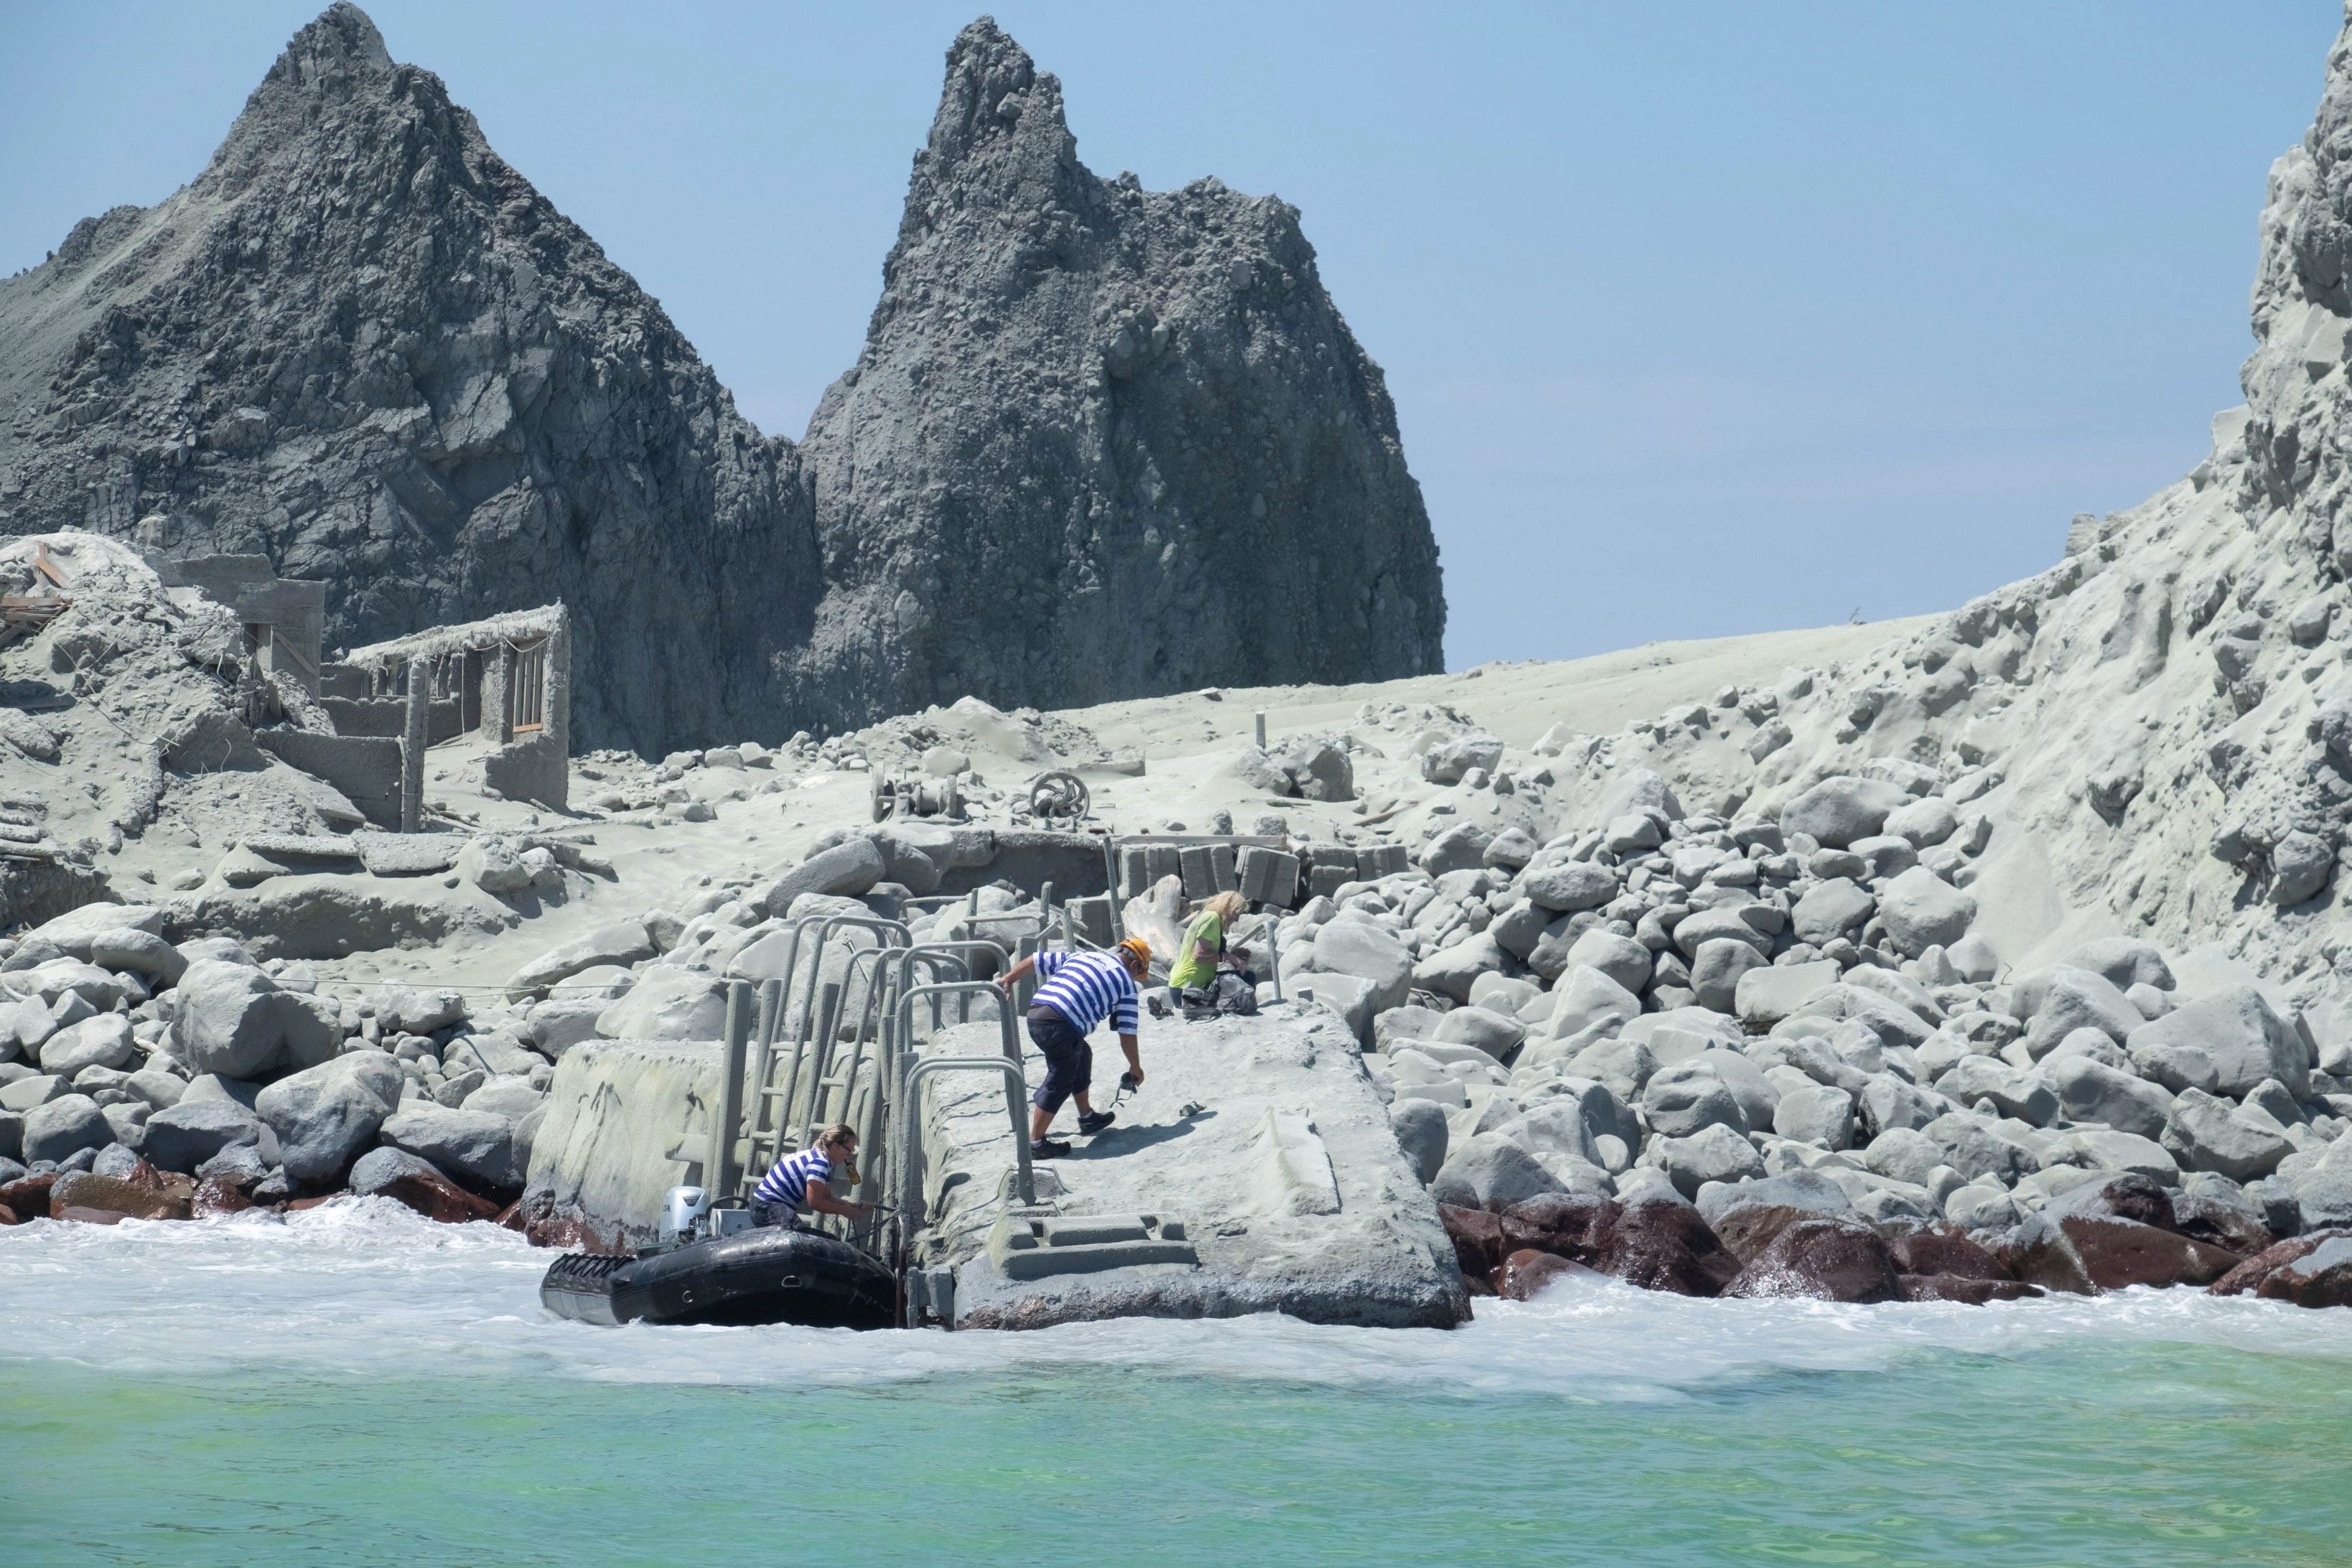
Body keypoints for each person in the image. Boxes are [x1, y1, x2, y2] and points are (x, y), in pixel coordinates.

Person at [996, 936, 1150, 1157]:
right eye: (1138, 973)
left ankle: (1087, 1118)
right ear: (1135, 966)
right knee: (1061, 1076)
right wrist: (1135, 1067)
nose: (1136, 977)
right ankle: (1036, 1143)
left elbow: (1035, 960)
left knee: (1081, 1053)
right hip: (1060, 1024)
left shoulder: (1085, 956)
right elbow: (1127, 1034)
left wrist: (1009, 978)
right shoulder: (1126, 985)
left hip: (1037, 1014)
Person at [748, 1122, 874, 1230]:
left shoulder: (825, 1162)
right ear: (836, 1146)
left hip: (766, 1206)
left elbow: (827, 1197)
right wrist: (843, 1211)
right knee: (797, 1233)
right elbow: (815, 1203)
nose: (849, 1155)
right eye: (849, 1150)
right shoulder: (819, 1163)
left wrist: (849, 1205)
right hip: (766, 1207)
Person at [1167, 890, 1253, 1016]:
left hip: (1180, 987)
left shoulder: (1206, 917)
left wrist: (1232, 954)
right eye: (1236, 914)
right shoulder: (1212, 919)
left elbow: (1206, 951)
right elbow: (1199, 956)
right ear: (1228, 908)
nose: (1237, 919)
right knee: (1248, 979)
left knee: (1244, 979)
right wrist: (1227, 957)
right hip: (1187, 990)